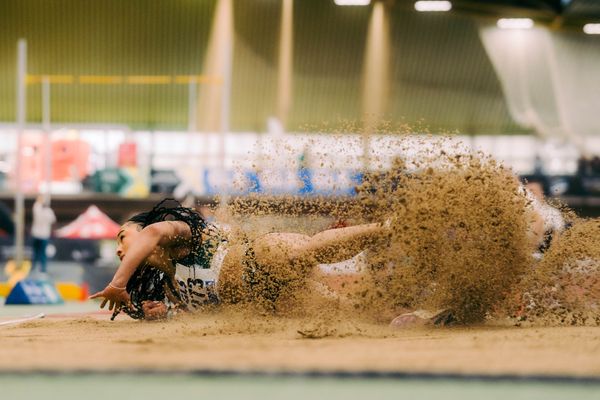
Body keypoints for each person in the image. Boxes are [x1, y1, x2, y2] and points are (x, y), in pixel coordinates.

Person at [90, 199, 390, 320]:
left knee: (306, 251)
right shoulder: (169, 285)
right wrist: (164, 314)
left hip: (260, 259)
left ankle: (389, 229)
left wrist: (118, 282)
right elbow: (203, 317)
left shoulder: (180, 235)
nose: (118, 249)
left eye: (122, 237)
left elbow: (153, 232)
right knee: (353, 314)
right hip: (271, 301)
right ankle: (413, 318)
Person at [30, 195, 56, 277]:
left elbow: (52, 219)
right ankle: (37, 268)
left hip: (41, 234)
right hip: (39, 234)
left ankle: (40, 268)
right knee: (37, 252)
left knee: (40, 252)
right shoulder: (43, 209)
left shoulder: (44, 210)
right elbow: (53, 220)